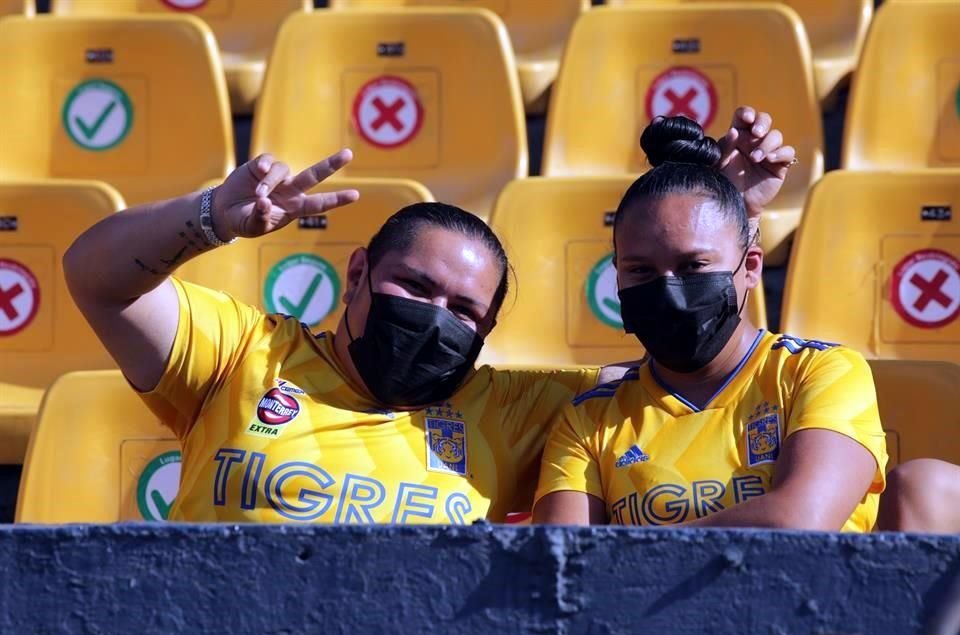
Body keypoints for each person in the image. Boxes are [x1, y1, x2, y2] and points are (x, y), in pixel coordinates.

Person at [64, 107, 788, 526]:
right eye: (416, 286)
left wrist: (724, 221)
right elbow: (95, 278)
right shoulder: (244, 355)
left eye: (466, 310)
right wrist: (209, 219)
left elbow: (691, 364)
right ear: (358, 275)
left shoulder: (515, 408)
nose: (437, 318)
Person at [533, 115, 889, 532]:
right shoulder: (588, 419)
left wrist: (626, 550)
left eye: (694, 265)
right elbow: (565, 564)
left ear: (751, 266)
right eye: (641, 271)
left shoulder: (817, 373)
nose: (668, 290)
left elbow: (799, 523)